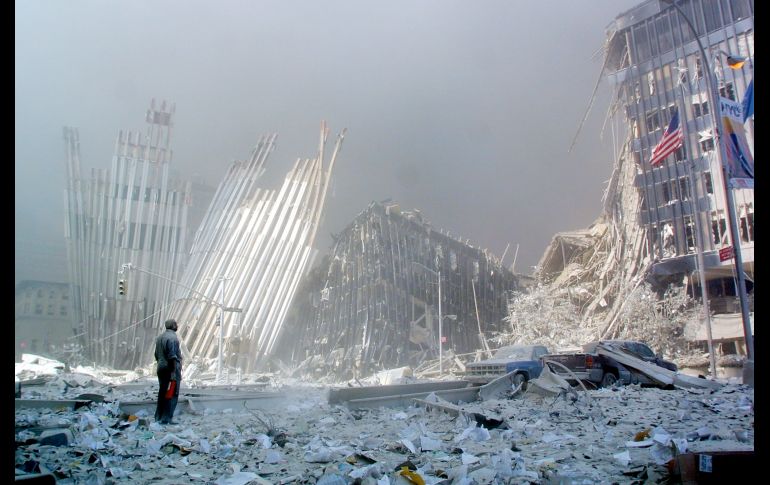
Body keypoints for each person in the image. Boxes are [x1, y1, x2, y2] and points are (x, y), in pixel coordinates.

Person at [154, 319, 182, 424]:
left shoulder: (160, 337)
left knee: (162, 392)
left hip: (160, 368)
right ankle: (167, 418)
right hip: (170, 369)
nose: (177, 325)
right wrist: (173, 373)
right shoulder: (173, 338)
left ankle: (158, 417)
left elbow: (156, 354)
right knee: (171, 393)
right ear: (173, 326)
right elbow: (172, 357)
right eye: (176, 324)